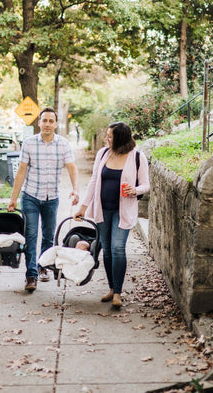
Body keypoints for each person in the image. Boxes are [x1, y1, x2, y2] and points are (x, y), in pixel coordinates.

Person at [74, 122, 150, 308]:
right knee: (106, 249)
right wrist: (83, 207)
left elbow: (146, 185)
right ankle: (110, 288)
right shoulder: (103, 154)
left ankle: (118, 293)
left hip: (122, 211)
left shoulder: (138, 157)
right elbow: (93, 182)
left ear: (121, 138)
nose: (106, 139)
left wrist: (135, 189)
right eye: (107, 136)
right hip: (102, 209)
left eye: (110, 137)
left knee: (117, 248)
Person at [8, 107, 79, 292]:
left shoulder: (63, 144)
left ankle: (42, 267)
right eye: (44, 120)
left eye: (51, 121)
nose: (47, 124)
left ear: (56, 124)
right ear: (39, 122)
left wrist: (76, 189)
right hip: (30, 195)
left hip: (52, 197)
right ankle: (31, 274)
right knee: (31, 235)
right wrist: (13, 198)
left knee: (49, 236)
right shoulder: (29, 143)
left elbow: (72, 168)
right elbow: (21, 171)